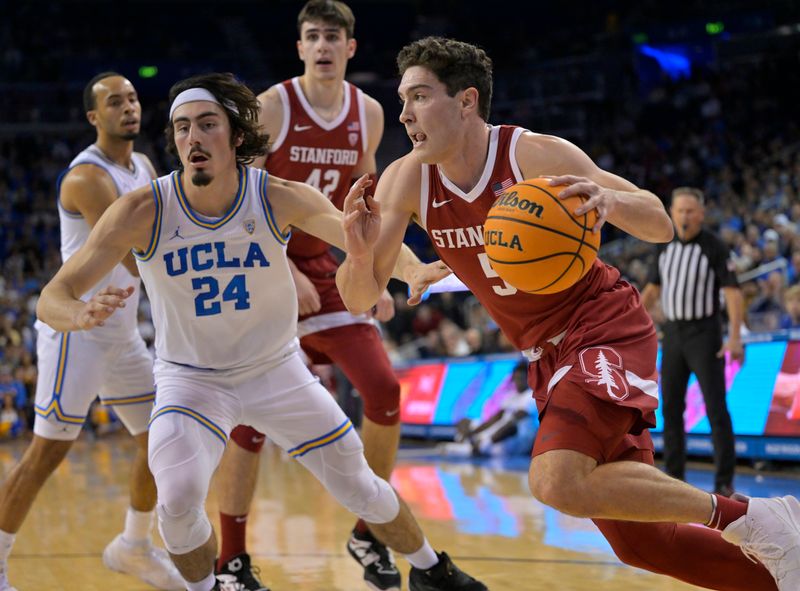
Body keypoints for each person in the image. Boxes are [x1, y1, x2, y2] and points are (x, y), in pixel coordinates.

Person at [337, 36, 800, 590]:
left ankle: (751, 517)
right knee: (642, 542)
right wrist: (360, 252)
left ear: (465, 101)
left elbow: (659, 222)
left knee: (555, 480)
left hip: (602, 323)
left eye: (418, 97)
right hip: (544, 355)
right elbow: (359, 299)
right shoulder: (407, 178)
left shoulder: (531, 154)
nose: (405, 114)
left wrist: (611, 202)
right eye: (402, 101)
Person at [35, 72, 485, 591]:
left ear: (236, 137)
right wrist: (80, 313)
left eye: (207, 125)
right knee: (177, 501)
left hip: (276, 370)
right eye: (182, 128)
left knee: (361, 485)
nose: (193, 138)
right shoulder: (142, 209)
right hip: (191, 381)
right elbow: (54, 296)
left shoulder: (273, 195)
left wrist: (412, 270)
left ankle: (431, 569)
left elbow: (357, 235)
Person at [214, 3, 403, 589]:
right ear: (299, 47)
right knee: (251, 420)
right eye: (312, 36)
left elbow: (362, 200)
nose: (322, 45)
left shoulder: (368, 113)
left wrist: (373, 273)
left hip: (323, 266)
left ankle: (367, 534)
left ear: (351, 47)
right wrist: (276, 267)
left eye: (333, 37)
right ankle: (232, 561)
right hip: (260, 266)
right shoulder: (273, 105)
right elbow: (238, 196)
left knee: (384, 389)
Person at [0, 73, 184, 591]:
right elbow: (133, 250)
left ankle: (133, 545)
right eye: (114, 102)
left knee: (161, 437)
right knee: (46, 454)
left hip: (122, 333)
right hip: (76, 332)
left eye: (131, 99)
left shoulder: (143, 165)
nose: (128, 107)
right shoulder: (87, 177)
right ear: (92, 117)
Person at [641, 186, 744, 497]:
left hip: (705, 333)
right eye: (679, 210)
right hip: (672, 334)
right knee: (670, 407)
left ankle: (723, 482)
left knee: (716, 408)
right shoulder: (663, 246)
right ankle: (674, 476)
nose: (684, 216)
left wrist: (735, 337)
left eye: (690, 211)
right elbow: (651, 292)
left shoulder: (714, 246)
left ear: (701, 213)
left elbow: (733, 292)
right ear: (671, 212)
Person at [453, 361, 538, 457]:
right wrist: (473, 433)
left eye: (522, 379)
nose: (519, 381)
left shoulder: (531, 396)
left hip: (519, 439)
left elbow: (513, 421)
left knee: (511, 425)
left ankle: (480, 445)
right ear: (513, 379)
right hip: (499, 438)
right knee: (465, 421)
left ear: (529, 379)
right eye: (517, 378)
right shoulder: (510, 396)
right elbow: (495, 419)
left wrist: (488, 437)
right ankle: (471, 443)